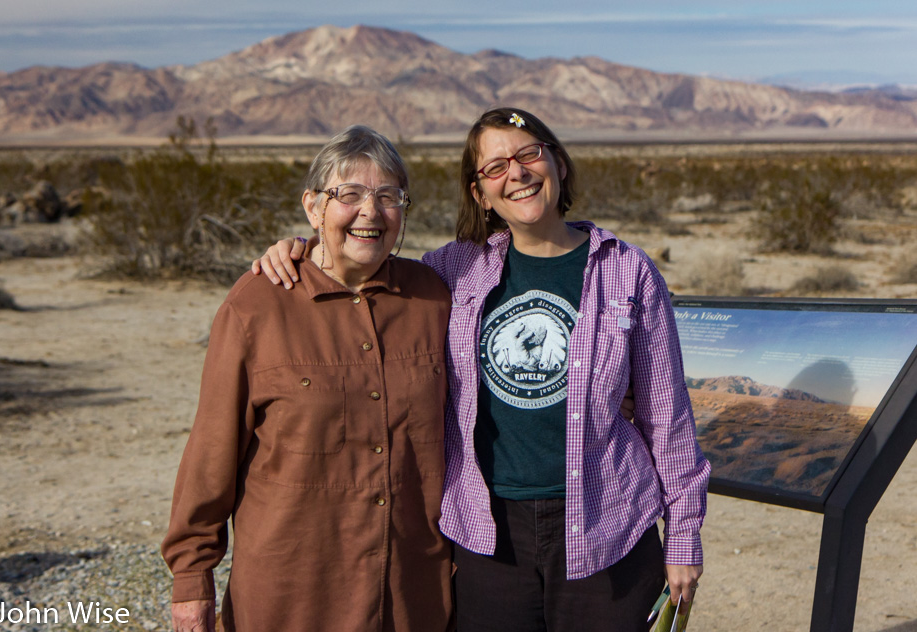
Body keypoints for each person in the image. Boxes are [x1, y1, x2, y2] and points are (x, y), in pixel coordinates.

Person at [254, 107, 710, 632]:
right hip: (487, 535)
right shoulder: (452, 269)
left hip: (607, 523)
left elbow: (668, 418)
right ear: (479, 193)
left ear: (557, 163)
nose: (515, 174)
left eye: (528, 155)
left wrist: (683, 536)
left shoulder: (628, 271)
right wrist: (305, 251)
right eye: (494, 168)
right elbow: (366, 261)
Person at [162, 125, 454, 632]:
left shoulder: (436, 298)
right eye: (350, 195)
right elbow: (213, 449)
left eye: (389, 196)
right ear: (313, 206)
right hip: (292, 596)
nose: (371, 212)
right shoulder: (257, 305)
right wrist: (192, 579)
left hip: (414, 594)